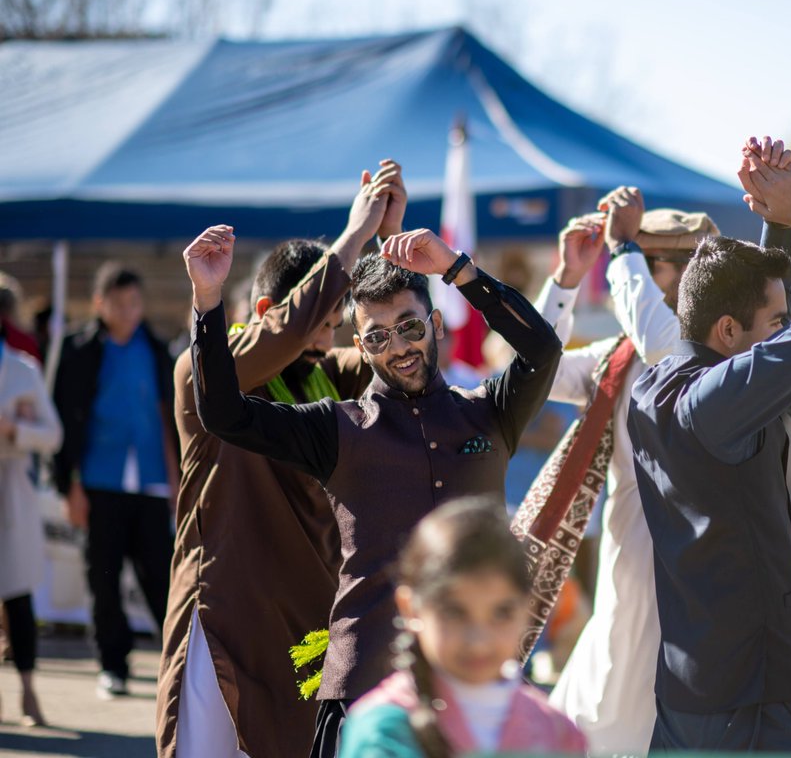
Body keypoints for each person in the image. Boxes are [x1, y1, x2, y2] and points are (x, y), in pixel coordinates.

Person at [183, 224, 561, 758]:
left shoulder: (489, 414)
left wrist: (457, 269)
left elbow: (542, 348)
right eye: (378, 336)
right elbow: (225, 414)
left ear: (435, 324)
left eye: (409, 326)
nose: (399, 346)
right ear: (360, 346)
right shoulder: (338, 429)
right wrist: (207, 299)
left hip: (479, 695)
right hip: (362, 700)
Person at [156, 162, 405, 758]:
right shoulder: (210, 369)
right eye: (319, 324)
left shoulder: (328, 377)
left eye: (333, 325)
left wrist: (388, 250)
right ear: (271, 307)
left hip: (309, 625)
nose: (325, 342)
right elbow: (287, 333)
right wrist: (355, 234)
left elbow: (399, 349)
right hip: (227, 616)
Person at [626, 136, 791, 751]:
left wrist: (774, 228)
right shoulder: (715, 400)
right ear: (727, 331)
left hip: (691, 687)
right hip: (754, 695)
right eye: (778, 326)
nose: (787, 336)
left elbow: (752, 329)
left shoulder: (653, 387)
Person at [533, 186, 718, 753]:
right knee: (610, 698)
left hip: (700, 565)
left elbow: (667, 349)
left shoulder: (718, 355)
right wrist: (566, 277)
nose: (630, 271)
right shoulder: (617, 356)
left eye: (645, 259)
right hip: (628, 559)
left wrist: (620, 252)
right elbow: (534, 370)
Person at [340, 496, 588, 756]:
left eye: (501, 613)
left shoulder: (557, 731)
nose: (478, 641)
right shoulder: (383, 731)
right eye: (455, 613)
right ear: (410, 608)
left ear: (528, 609)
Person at [52, 262, 178, 698]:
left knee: (163, 580)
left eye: (135, 302)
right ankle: (113, 665)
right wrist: (68, 485)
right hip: (98, 482)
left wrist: (177, 480)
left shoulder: (159, 351)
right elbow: (63, 420)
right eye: (120, 303)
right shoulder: (79, 349)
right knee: (103, 581)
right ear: (99, 304)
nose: (129, 311)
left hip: (152, 482)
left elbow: (169, 418)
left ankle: (176, 667)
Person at [0, 328, 62, 726]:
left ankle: (27, 690)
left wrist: (13, 431)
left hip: (12, 494)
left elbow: (53, 435)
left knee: (17, 597)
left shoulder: (24, 370)